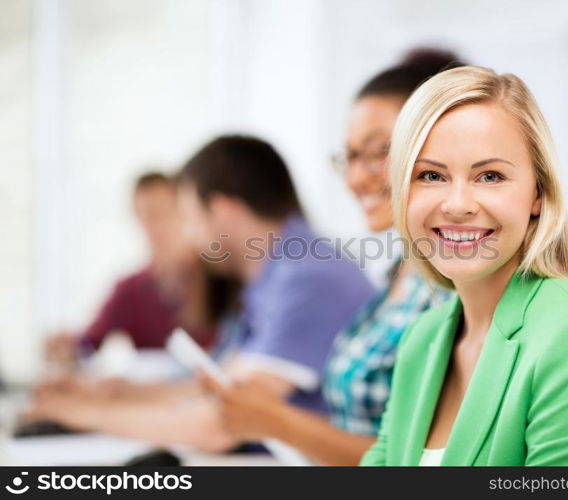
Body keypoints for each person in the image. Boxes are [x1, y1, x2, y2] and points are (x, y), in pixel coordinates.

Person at [27, 135, 375, 452]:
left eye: (188, 218)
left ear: (222, 211)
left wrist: (80, 413)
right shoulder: (270, 278)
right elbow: (219, 383)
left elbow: (223, 420)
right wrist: (118, 394)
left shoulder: (309, 279)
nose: (189, 236)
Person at [360, 66, 568, 466]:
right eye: (430, 175)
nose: (457, 204)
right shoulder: (424, 337)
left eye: (489, 176)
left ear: (538, 193)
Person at [199, 49, 461, 465]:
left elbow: (418, 461)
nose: (357, 177)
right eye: (350, 157)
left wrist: (275, 420)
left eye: (379, 151)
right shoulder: (396, 275)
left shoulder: (455, 292)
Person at [45, 172, 221, 367]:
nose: (151, 226)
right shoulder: (130, 289)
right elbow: (87, 343)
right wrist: (66, 347)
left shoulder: (221, 279)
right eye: (143, 215)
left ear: (185, 212)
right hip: (150, 395)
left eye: (160, 213)